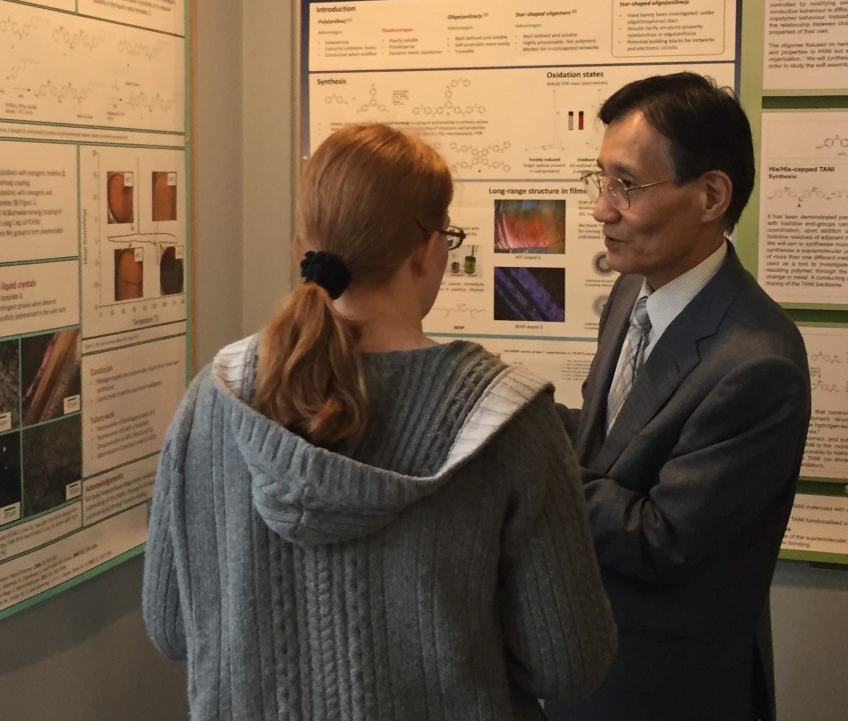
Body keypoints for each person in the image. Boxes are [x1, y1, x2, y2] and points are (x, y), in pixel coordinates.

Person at [143, 122, 617, 720]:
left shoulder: (213, 400)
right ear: (426, 248)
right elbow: (568, 662)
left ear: (307, 244)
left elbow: (171, 627)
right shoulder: (509, 420)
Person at [545, 73, 810, 721]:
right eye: (600, 181)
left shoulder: (757, 363)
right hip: (586, 667)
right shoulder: (631, 293)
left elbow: (661, 541)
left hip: (666, 692)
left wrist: (527, 456)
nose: (602, 209)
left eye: (626, 185)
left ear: (711, 195)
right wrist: (512, 407)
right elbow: (612, 444)